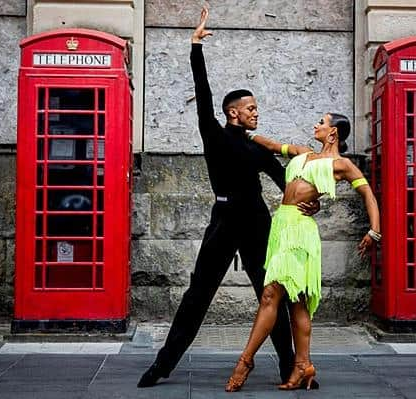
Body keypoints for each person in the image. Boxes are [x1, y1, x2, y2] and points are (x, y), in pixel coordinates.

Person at [137, 5, 320, 388]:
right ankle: (161, 366)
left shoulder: (256, 147)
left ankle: (291, 366)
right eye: (250, 108)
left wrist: (310, 199)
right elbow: (203, 96)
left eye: (256, 108)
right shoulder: (215, 135)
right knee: (197, 296)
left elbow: (286, 178)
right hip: (223, 221)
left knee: (272, 297)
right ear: (233, 113)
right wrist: (195, 47)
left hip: (256, 223)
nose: (256, 113)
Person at [224, 113, 381, 392]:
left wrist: (374, 231)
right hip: (280, 226)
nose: (315, 125)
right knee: (298, 302)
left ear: (333, 133)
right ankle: (303, 366)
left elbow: (368, 193)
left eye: (321, 122)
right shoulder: (303, 153)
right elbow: (272, 146)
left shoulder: (341, 165)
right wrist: (243, 133)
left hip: (300, 232)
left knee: (271, 294)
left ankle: (245, 361)